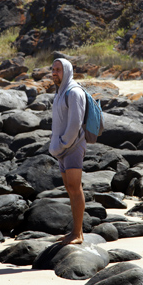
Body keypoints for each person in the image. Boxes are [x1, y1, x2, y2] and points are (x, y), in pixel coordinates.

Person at [49, 58, 87, 245]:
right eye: (53, 69)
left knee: (75, 188)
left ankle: (78, 234)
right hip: (62, 148)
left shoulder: (74, 92)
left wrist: (63, 143)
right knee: (70, 189)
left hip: (73, 147)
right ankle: (75, 231)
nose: (55, 73)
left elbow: (75, 124)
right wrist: (57, 145)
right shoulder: (60, 92)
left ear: (67, 71)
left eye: (59, 69)